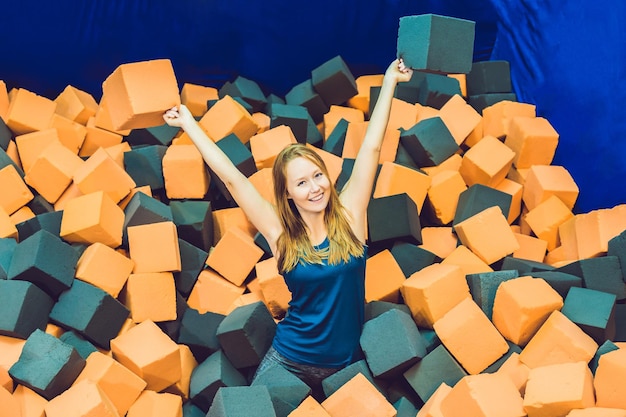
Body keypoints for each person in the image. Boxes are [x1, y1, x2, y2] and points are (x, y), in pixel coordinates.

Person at [163, 58, 413, 400]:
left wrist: (389, 83)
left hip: (346, 363)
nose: (314, 188)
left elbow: (371, 147)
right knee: (251, 410)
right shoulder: (280, 233)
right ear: (287, 193)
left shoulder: (352, 215)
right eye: (302, 182)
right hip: (290, 358)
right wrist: (189, 124)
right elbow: (234, 180)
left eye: (318, 176)